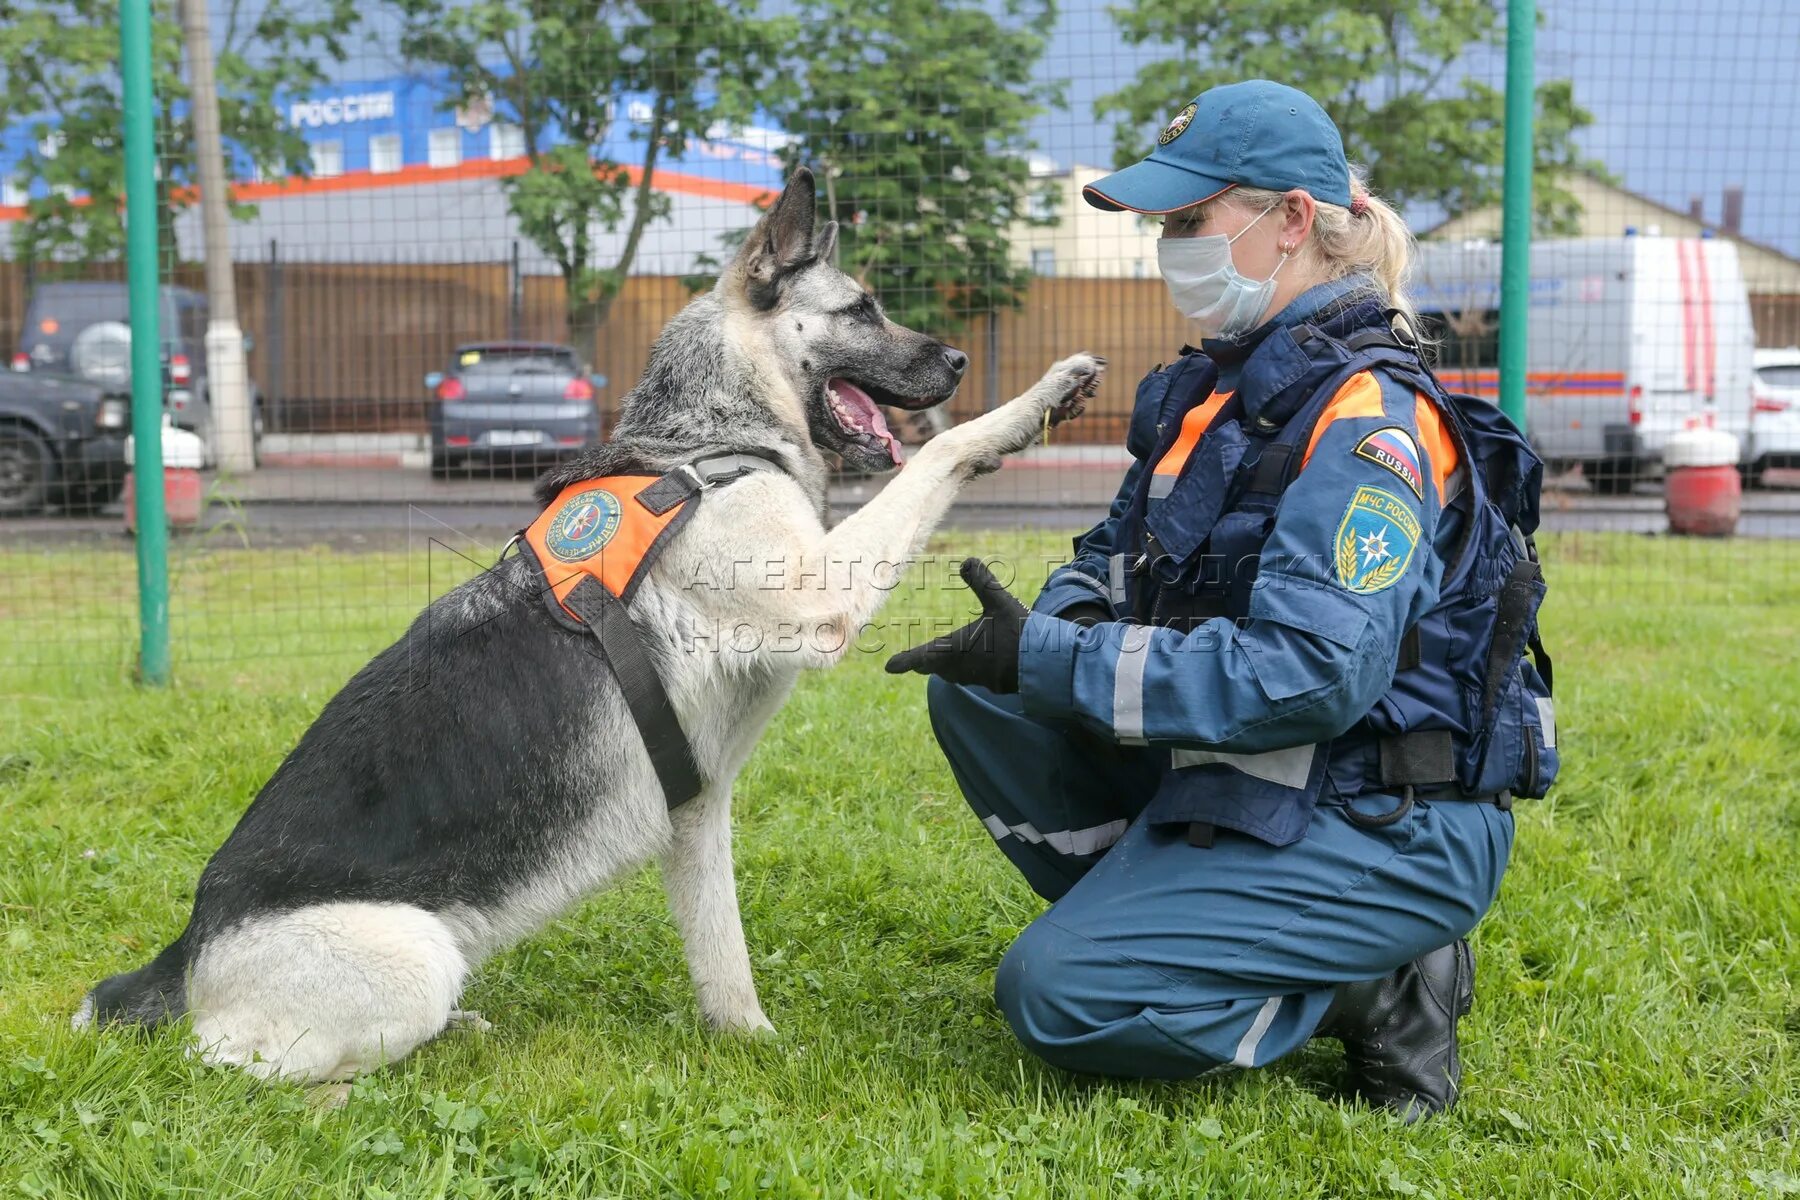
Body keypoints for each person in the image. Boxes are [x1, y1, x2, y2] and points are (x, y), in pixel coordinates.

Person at [886, 80, 1558, 1121]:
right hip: (1263, 771)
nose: (1170, 245)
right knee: (985, 692)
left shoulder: (1366, 419)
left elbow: (1313, 676)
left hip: (1386, 814)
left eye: (1191, 220)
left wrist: (1059, 658)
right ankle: (1178, 916)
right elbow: (1107, 558)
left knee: (1058, 998)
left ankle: (1373, 979)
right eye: (1165, 225)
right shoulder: (1216, 389)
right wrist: (1047, 638)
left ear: (1294, 219)